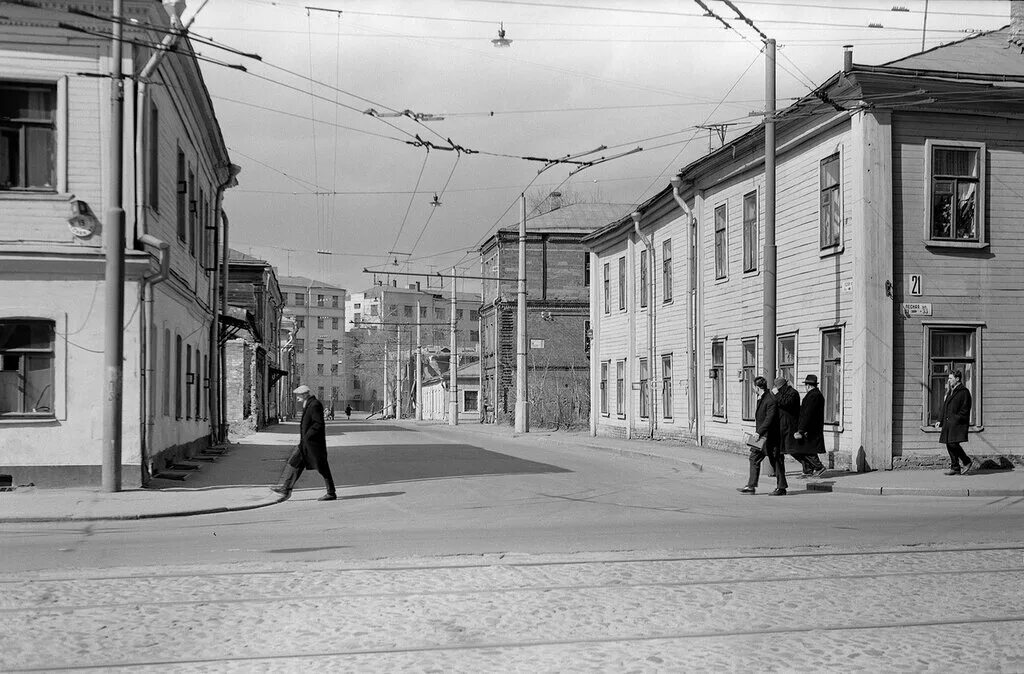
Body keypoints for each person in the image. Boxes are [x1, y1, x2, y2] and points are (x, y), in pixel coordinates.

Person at [271, 384, 337, 501]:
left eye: (299, 395)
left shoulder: (315, 404)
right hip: (305, 443)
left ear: (305, 394)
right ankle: (286, 488)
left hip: (314, 444)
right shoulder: (308, 404)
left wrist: (308, 436)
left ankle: (331, 492)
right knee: (294, 462)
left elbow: (318, 424)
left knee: (322, 467)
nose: (297, 397)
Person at [739, 376, 787, 495]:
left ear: (757, 387)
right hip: (762, 437)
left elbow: (769, 419)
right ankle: (751, 486)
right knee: (754, 458)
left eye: (753, 386)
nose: (753, 389)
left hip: (769, 437)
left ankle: (781, 488)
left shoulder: (770, 399)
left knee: (776, 461)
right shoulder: (762, 398)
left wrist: (758, 432)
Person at [935, 370, 974, 475]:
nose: (948, 380)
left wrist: (955, 418)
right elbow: (944, 407)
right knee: (949, 444)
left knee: (953, 443)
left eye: (950, 378)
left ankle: (966, 461)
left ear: (957, 379)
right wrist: (940, 420)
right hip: (948, 423)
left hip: (958, 423)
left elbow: (965, 409)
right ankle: (955, 467)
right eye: (948, 378)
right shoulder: (950, 391)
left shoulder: (964, 392)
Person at [792, 374, 827, 478]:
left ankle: (819, 467)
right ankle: (808, 470)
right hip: (812, 428)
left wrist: (801, 429)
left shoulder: (813, 396)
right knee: (805, 449)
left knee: (807, 450)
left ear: (807, 385)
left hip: (810, 429)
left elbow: (807, 414)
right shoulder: (816, 394)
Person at [772, 376, 800, 495]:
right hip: (778, 430)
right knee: (777, 457)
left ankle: (812, 465)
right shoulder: (778, 394)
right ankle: (781, 486)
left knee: (795, 452)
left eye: (779, 387)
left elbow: (785, 403)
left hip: (789, 430)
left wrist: (777, 394)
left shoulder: (792, 393)